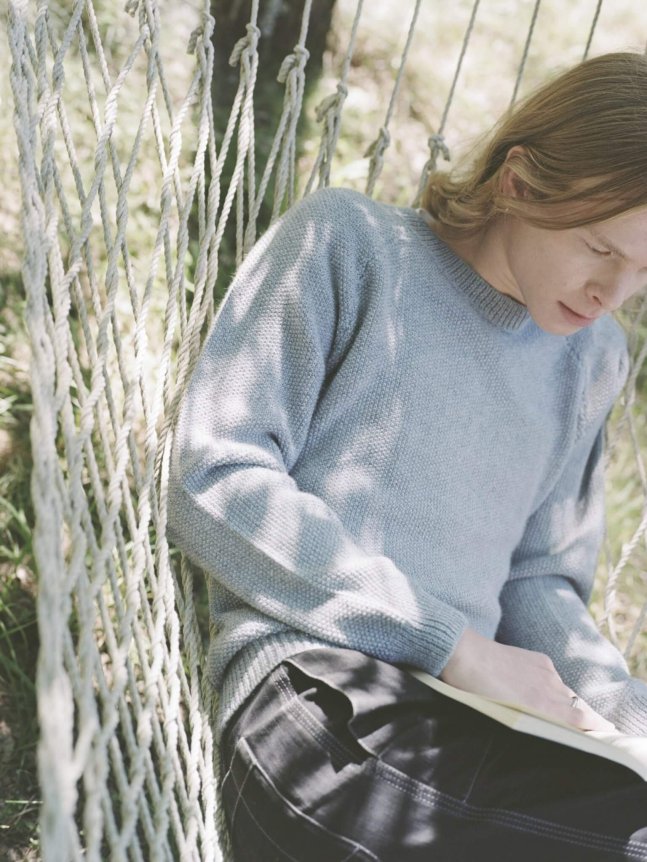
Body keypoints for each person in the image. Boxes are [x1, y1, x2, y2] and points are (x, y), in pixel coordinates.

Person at [168, 51, 647, 860]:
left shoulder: (590, 359)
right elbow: (213, 478)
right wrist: (452, 648)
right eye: (600, 248)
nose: (613, 294)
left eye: (643, 271)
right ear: (518, 182)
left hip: (480, 732)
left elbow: (538, 579)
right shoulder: (350, 246)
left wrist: (623, 714)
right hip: (318, 696)